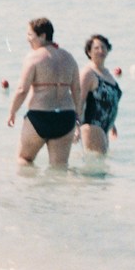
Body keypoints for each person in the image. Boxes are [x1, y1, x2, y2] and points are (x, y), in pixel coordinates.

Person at [6, 17, 83, 167]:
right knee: (59, 167)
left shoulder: (33, 57)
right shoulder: (69, 58)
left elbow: (22, 90)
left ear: (42, 36)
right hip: (66, 117)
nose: (27, 39)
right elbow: (77, 91)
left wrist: (12, 112)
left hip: (40, 116)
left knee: (24, 159)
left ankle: (29, 183)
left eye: (30, 35)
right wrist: (78, 118)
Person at [78, 34, 122, 156]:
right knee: (97, 164)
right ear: (89, 52)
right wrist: (75, 127)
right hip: (92, 127)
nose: (101, 50)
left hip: (104, 129)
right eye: (96, 48)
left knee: (99, 163)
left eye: (103, 47)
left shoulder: (107, 73)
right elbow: (79, 101)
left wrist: (112, 124)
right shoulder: (88, 73)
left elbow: (108, 102)